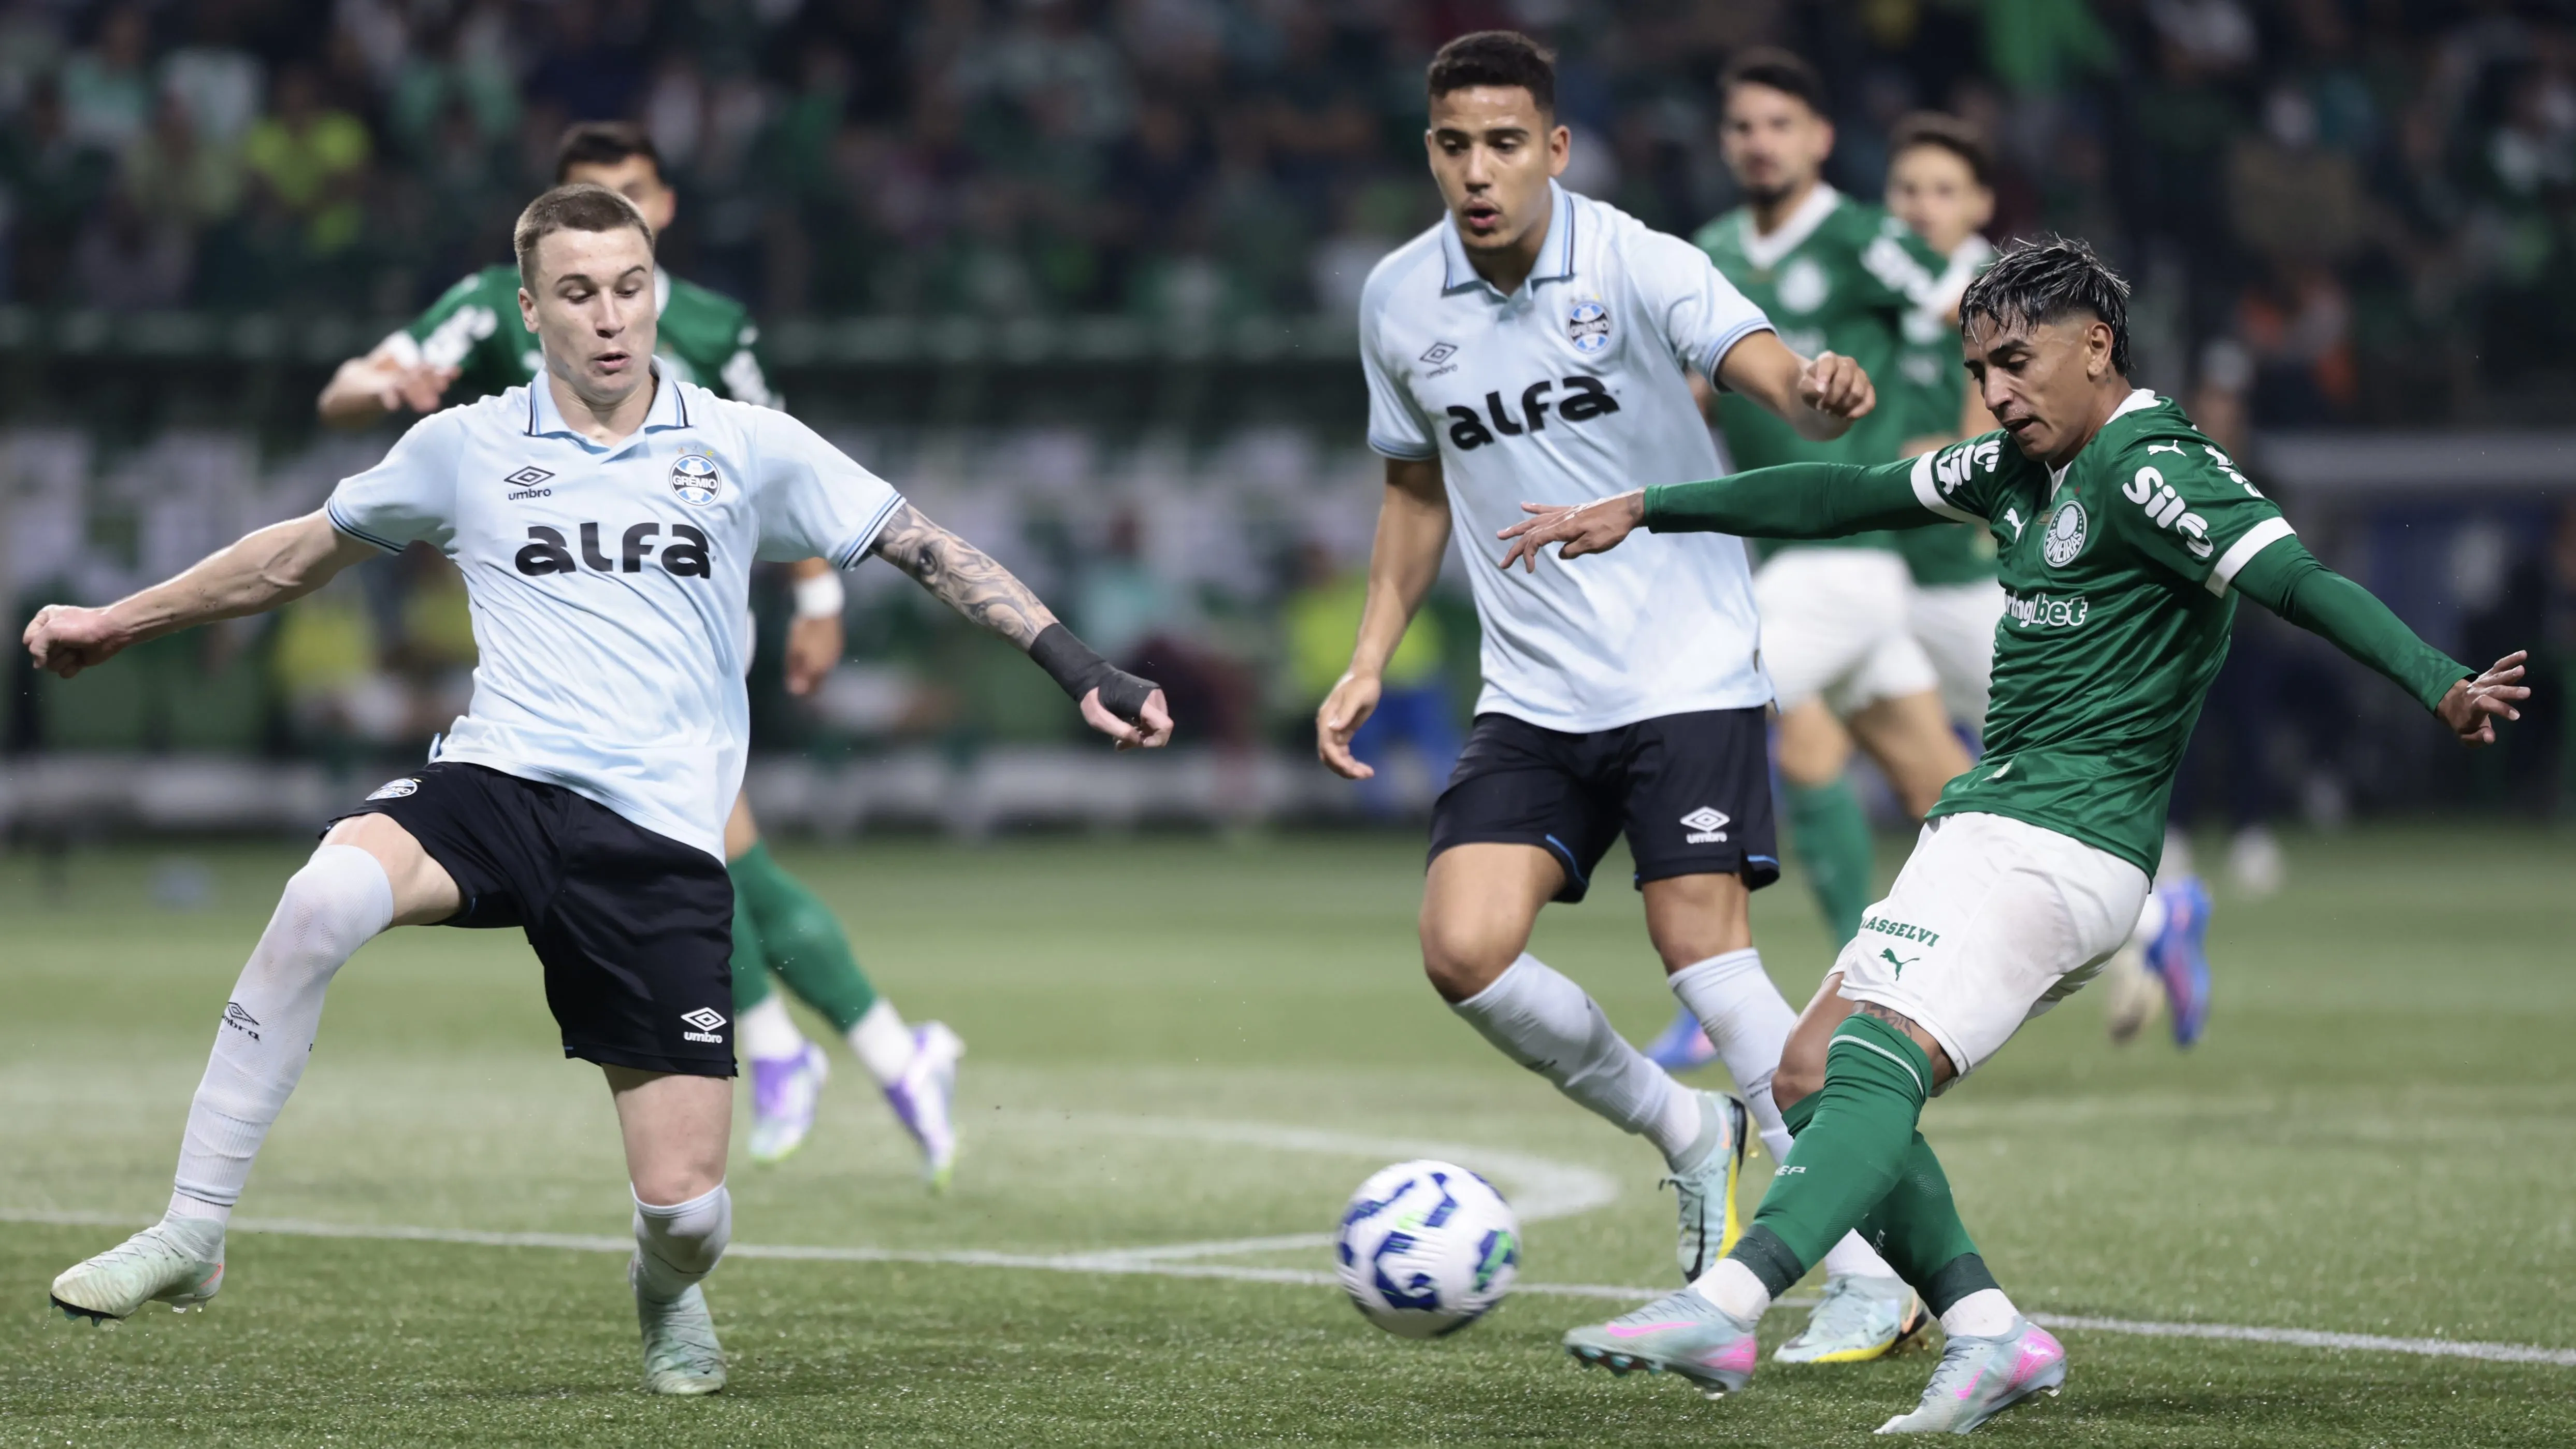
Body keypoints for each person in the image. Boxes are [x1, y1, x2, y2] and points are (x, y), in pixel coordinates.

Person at [32, 185, 1173, 1396]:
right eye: (577, 293)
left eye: (630, 288)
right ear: (530, 311)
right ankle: (193, 1229)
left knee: (686, 1213)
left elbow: (923, 544)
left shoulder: (743, 442)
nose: (611, 316)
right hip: (499, 785)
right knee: (320, 901)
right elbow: (291, 555)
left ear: (656, 293)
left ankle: (667, 1293)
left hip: (659, 843)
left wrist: (1076, 664)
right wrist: (121, 621)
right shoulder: (467, 446)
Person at [1503, 236, 2524, 1433]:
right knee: (1805, 1072)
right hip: (1989, 820)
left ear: (2095, 346)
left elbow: (2295, 579)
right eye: (1980, 368)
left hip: (2066, 839)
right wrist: (1647, 507)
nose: (1993, 393)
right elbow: (1845, 495)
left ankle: (1728, 1301)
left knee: (1869, 1056)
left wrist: (2438, 682)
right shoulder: (2016, 469)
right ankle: (1989, 1332)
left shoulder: (2154, 467)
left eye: (2015, 362)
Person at [1315, 30, 1894, 1308]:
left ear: (1554, 150)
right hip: (1530, 689)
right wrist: (1367, 657)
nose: (1479, 171)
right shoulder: (1396, 299)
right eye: (1455, 146)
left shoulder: (1635, 259)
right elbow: (1413, 491)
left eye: (1505, 144)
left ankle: (1861, 1271)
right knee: (1461, 950)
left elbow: (1769, 377)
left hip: (1683, 662)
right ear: (1430, 153)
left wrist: (1814, 387)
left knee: (1702, 954)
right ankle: (1686, 1133)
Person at [318, 122, 942, 1172]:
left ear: (664, 207)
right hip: (565, 615)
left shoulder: (710, 323)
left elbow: (781, 466)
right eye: (588, 196)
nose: (615, 214)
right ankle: (867, 1047)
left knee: (692, 844)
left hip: (683, 613)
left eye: (633, 192)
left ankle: (821, 1050)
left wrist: (821, 598)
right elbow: (349, 387)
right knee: (712, 849)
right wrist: (377, 392)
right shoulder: (493, 301)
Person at [1643, 55, 1977, 1362]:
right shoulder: (1717, 247)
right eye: (1737, 124)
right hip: (1779, 548)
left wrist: (1945, 437)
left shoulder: (1868, 237)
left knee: (1716, 707)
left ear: (1817, 135)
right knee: (1940, 781)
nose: (1756, 141)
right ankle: (2139, 917)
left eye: (1778, 122)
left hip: (1852, 545)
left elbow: (1969, 297)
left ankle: (1747, 980)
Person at [1883, 113, 2217, 1050]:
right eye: (1907, 190)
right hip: (1885, 578)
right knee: (1861, 752)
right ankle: (1823, 971)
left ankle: (2150, 914)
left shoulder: (1989, 302)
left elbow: (1966, 441)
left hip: (1960, 581)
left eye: (1944, 192)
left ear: (1983, 206)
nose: (1921, 209)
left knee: (2006, 770)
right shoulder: (1885, 289)